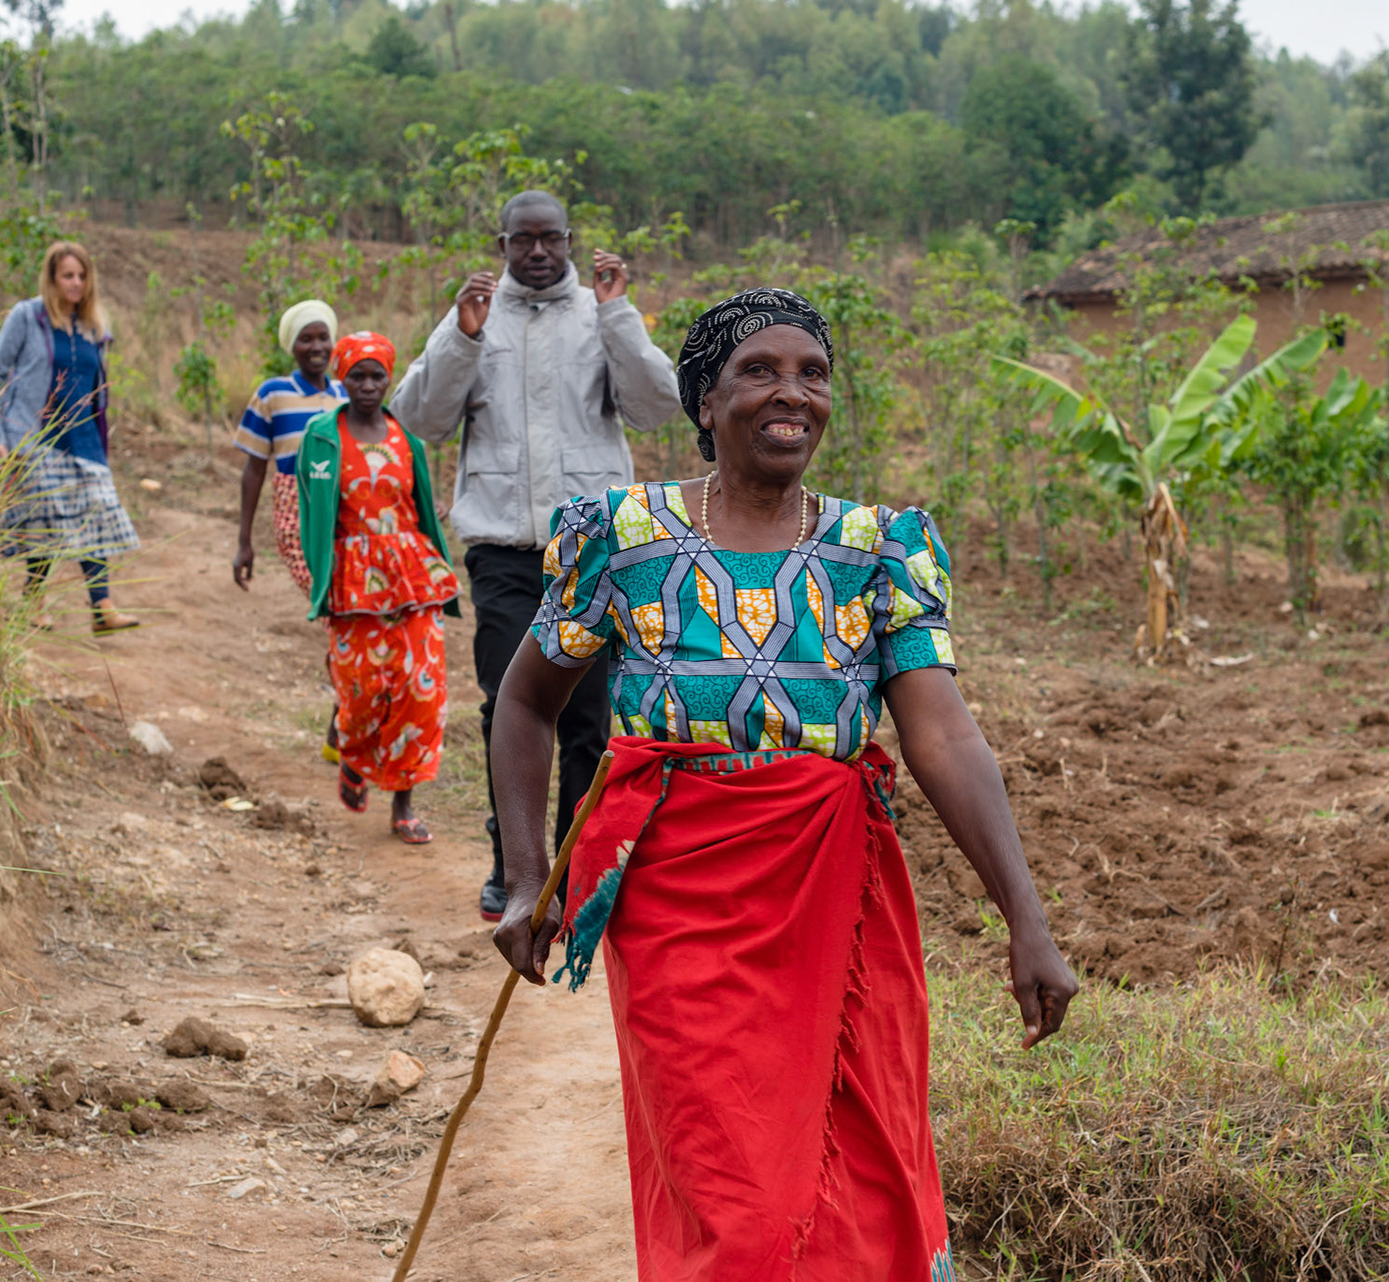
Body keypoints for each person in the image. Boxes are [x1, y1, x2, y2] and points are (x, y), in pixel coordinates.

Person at [489, 289, 1080, 1280]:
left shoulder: (879, 550)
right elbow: (525, 704)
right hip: (679, 899)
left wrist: (1026, 915)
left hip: (836, 899)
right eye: (758, 371)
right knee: (741, 1199)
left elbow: (940, 731)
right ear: (706, 403)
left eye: (812, 373)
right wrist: (524, 874)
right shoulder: (622, 535)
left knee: (859, 1167)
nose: (790, 394)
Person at [390, 189, 681, 919]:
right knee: (510, 708)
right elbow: (417, 417)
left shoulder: (601, 312)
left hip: (592, 554)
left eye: (551, 238)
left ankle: (575, 875)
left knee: (589, 719)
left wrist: (619, 316)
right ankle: (512, 868)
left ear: (571, 240)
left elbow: (655, 407)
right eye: (524, 241)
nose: (540, 252)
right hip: (503, 551)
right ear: (504, 244)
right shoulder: (475, 319)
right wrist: (461, 338)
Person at [297, 332, 460, 843]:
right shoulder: (322, 438)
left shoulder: (404, 438)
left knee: (419, 690)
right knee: (363, 689)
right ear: (341, 379)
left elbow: (421, 509)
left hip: (412, 575)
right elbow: (310, 514)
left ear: (389, 379)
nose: (368, 385)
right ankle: (352, 750)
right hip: (353, 580)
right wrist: (319, 578)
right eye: (357, 376)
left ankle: (403, 804)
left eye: (377, 376)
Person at [0, 240, 140, 634]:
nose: (76, 283)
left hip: (84, 438)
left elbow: (96, 386)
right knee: (45, 523)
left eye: (82, 276)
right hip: (37, 435)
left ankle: (101, 606)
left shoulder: (94, 327)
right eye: (68, 275)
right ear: (52, 278)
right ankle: (33, 602)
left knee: (97, 513)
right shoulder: (28, 317)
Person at [232, 299, 345, 595]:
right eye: (305, 339)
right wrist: (244, 540)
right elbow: (254, 469)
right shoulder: (274, 394)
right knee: (326, 594)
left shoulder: (346, 394)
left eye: (323, 337)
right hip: (297, 512)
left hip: (345, 510)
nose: (317, 347)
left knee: (350, 596)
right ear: (291, 346)